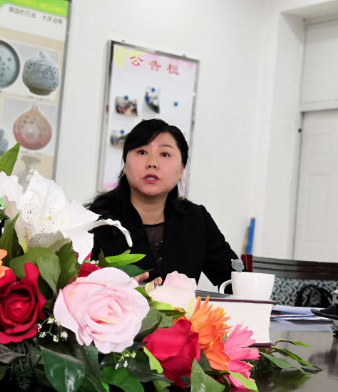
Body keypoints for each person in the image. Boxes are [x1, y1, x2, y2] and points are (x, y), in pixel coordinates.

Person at [88, 119, 236, 287]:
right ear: (125, 165)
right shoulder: (94, 222)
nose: (152, 163)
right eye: (142, 152)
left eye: (164, 154)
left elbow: (235, 280)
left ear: (181, 170)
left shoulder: (196, 220)